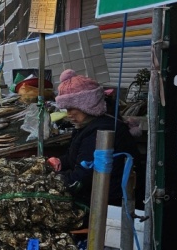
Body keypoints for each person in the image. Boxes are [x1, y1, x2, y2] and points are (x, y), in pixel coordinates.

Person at [47, 70, 139, 206]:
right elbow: (76, 156)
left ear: (87, 105)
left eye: (72, 108)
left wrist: (47, 180)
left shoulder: (101, 130)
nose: (69, 114)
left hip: (109, 202)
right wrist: (60, 161)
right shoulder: (86, 125)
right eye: (66, 109)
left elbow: (82, 177)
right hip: (97, 195)